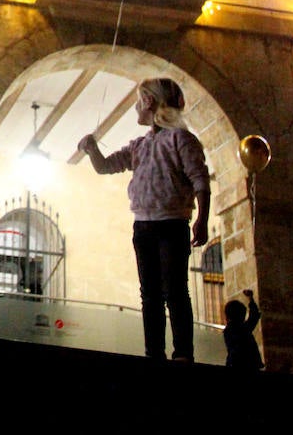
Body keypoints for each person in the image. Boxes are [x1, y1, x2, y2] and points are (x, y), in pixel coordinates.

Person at [78, 76, 210, 362]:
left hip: (172, 223)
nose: (136, 108)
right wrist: (91, 150)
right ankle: (155, 353)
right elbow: (105, 166)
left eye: (139, 102)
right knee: (150, 293)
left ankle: (182, 353)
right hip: (144, 226)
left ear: (149, 102)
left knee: (174, 290)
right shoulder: (139, 145)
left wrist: (202, 218)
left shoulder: (181, 139)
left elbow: (200, 180)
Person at [224, 289, 264, 371]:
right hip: (246, 364)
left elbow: (254, 317)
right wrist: (251, 299)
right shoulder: (240, 329)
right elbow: (254, 317)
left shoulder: (232, 330)